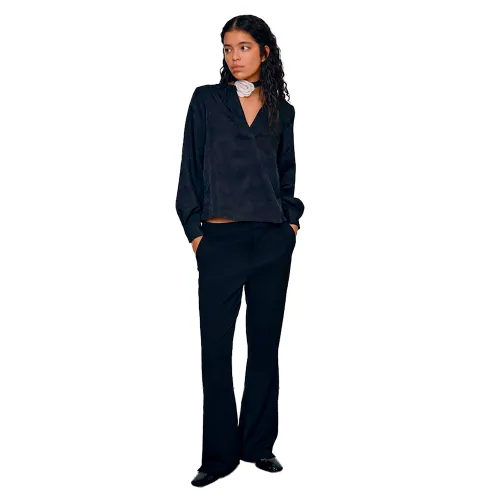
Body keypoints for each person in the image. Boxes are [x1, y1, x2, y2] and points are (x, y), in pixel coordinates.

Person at [175, 14, 305, 488]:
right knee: (216, 349)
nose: (235, 56)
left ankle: (258, 445)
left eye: (244, 47)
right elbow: (189, 169)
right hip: (220, 241)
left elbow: (286, 174)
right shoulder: (207, 101)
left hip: (271, 240)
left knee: (264, 346)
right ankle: (217, 456)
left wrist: (290, 223)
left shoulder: (282, 111)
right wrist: (196, 232)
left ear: (265, 52)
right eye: (228, 48)